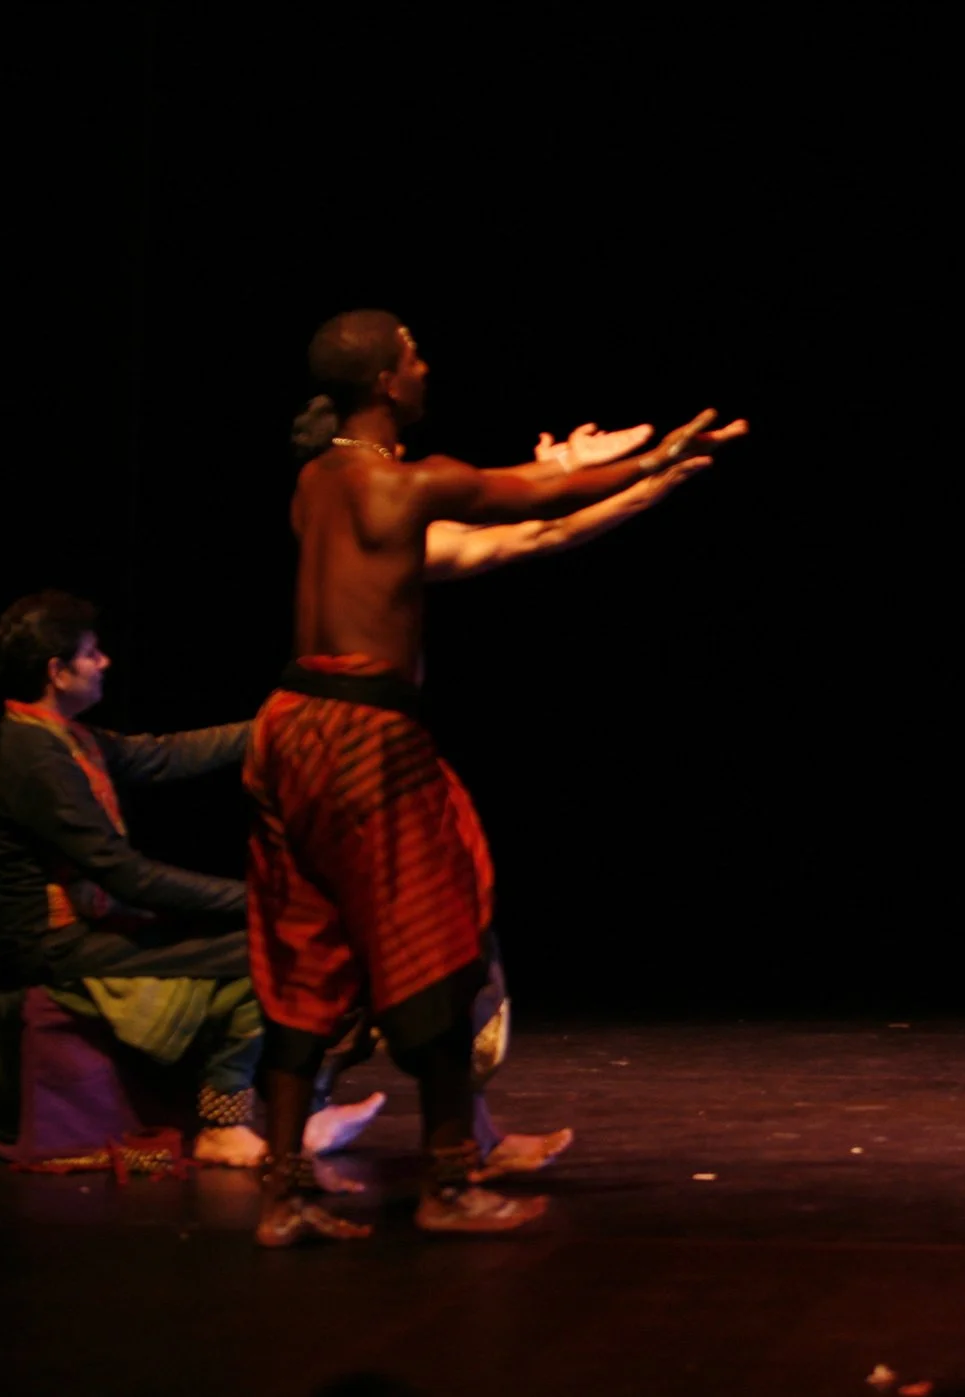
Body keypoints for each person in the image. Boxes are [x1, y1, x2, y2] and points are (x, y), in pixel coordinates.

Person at [249, 308, 744, 1244]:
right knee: (436, 940)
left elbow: (526, 515)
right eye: (413, 356)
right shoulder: (407, 484)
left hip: (287, 723)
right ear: (387, 382)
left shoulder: (316, 481)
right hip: (365, 734)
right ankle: (447, 1181)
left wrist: (591, 473)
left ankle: (283, 1196)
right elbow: (521, 498)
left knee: (305, 947)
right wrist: (655, 458)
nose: (426, 367)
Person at [0, 592, 290, 1166]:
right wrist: (254, 900)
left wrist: (273, 727)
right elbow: (127, 876)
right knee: (256, 947)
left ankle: (296, 1112)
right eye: (92, 653)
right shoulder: (35, 757)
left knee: (254, 942)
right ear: (56, 671)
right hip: (55, 943)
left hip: (93, 923)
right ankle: (226, 1127)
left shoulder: (60, 735)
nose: (105, 663)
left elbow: (162, 755)